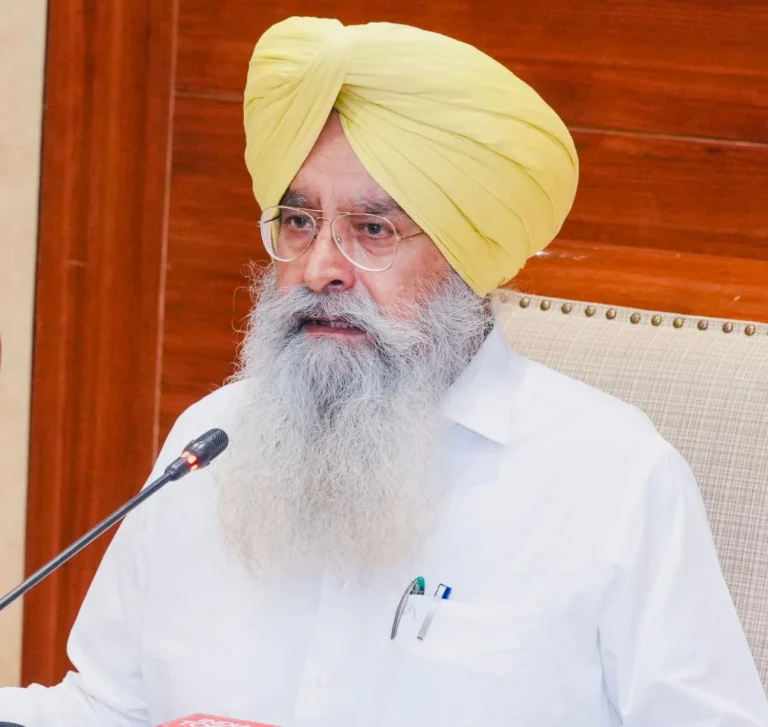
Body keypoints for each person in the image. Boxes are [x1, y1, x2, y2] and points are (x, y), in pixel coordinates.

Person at [1, 15, 766, 727]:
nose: (320, 267)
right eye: (299, 222)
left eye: (373, 229)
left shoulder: (612, 479)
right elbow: (108, 707)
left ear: (467, 260)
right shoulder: (210, 444)